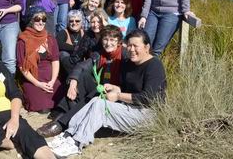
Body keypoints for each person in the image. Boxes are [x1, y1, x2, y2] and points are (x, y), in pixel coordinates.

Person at [49, 29, 167, 157]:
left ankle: (77, 142)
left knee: (101, 105)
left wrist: (118, 95)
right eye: (130, 45)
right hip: (130, 108)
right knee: (96, 101)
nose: (132, 49)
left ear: (147, 47)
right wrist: (116, 88)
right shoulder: (130, 64)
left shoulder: (154, 65)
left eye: (136, 46)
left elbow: (149, 98)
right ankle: (69, 134)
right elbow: (129, 88)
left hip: (148, 114)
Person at [37, 24, 124, 138]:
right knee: (81, 77)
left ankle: (61, 122)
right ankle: (65, 113)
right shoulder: (100, 54)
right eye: (105, 39)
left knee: (96, 92)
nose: (108, 43)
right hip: (102, 89)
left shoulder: (124, 55)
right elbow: (82, 66)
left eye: (112, 40)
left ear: (119, 42)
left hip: (116, 95)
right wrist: (73, 81)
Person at [16, 6, 64, 113]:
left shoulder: (50, 38)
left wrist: (52, 80)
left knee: (60, 103)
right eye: (37, 19)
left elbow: (55, 60)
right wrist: (38, 84)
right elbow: (22, 67)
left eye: (44, 19)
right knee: (43, 109)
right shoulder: (23, 40)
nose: (41, 22)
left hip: (50, 77)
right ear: (31, 21)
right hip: (32, 79)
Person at [56, 10, 85, 79]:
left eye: (77, 21)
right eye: (71, 21)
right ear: (68, 22)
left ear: (81, 22)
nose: (74, 23)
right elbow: (59, 44)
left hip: (80, 62)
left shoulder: (84, 33)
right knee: (63, 53)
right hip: (67, 65)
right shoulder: (63, 32)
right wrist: (76, 48)